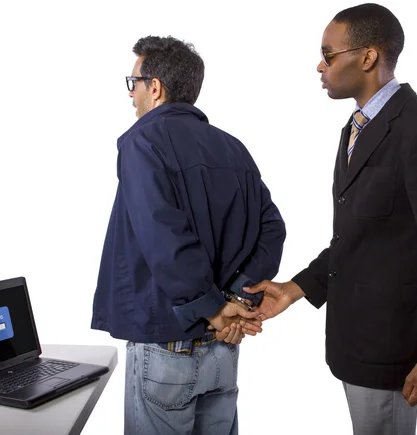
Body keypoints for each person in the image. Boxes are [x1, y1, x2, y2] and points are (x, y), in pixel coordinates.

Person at [244, 3, 417, 434]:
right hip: (354, 342)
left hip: (394, 349)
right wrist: (293, 290)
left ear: (367, 57)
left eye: (328, 54)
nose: (319, 65)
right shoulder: (356, 127)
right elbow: (357, 236)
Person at [90, 36, 286, 435]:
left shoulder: (142, 141)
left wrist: (213, 307)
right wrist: (237, 297)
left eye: (134, 84)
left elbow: (165, 235)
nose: (131, 96)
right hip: (223, 348)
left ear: (155, 87)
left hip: (168, 345)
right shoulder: (234, 149)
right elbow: (272, 228)